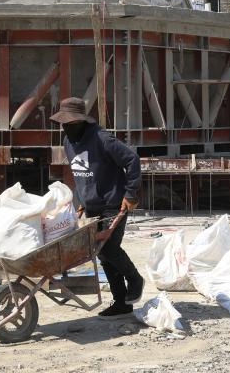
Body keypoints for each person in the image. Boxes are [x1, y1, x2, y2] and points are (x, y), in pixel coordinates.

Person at [51, 96, 145, 318]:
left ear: (82, 121)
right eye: (64, 123)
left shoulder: (101, 138)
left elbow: (132, 160)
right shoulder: (68, 142)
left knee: (110, 248)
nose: (67, 127)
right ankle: (121, 303)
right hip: (92, 206)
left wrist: (131, 193)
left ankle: (135, 279)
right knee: (102, 254)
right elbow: (81, 175)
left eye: (71, 123)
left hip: (114, 202)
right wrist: (80, 202)